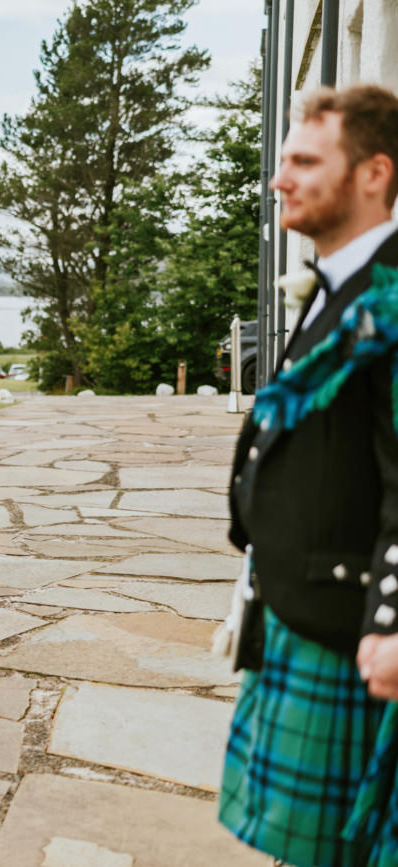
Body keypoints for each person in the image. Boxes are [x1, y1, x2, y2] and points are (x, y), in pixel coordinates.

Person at [221, 83, 398, 866]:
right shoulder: (339, 282)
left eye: (303, 160)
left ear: (374, 174)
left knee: (347, 851)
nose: (279, 178)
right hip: (297, 605)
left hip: (348, 626)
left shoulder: (389, 298)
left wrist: (392, 622)